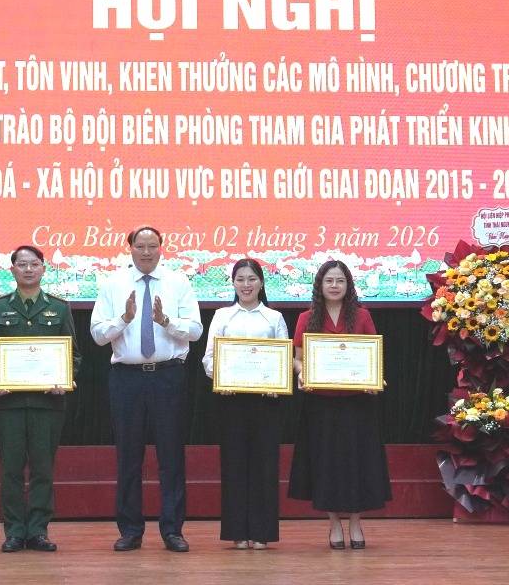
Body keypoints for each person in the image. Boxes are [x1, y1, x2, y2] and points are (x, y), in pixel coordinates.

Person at [90, 226, 203, 553]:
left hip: (168, 377)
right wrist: (124, 319)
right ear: (130, 248)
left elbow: (195, 330)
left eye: (153, 246)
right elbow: (98, 334)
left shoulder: (178, 282)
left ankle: (172, 530)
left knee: (171, 456)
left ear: (161, 248)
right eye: (140, 246)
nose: (147, 252)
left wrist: (167, 322)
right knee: (128, 457)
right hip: (126, 379)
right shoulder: (113, 283)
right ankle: (130, 530)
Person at [0, 245, 80, 553]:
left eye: (34, 264)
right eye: (22, 264)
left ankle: (38, 531)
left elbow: (73, 355)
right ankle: (14, 532)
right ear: (12, 270)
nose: (28, 269)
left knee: (42, 469)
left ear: (43, 269)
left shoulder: (60, 308)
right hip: (8, 403)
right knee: (9, 469)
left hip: (48, 404)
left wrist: (66, 378)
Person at [288, 260, 391, 550]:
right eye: (329, 281)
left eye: (340, 281)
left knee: (357, 463)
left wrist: (374, 378)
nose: (334, 286)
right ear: (320, 285)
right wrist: (303, 372)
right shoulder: (306, 318)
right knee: (327, 465)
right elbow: (298, 358)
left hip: (357, 402)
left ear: (348, 286)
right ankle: (334, 525)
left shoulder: (362, 316)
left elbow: (372, 355)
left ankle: (356, 524)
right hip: (321, 404)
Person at [202, 258, 288, 550]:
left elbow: (284, 359)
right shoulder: (223, 316)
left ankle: (262, 532)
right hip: (232, 402)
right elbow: (209, 359)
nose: (246, 285)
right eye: (240, 279)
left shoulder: (274, 318)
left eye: (252, 279)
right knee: (235, 465)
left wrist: (278, 382)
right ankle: (238, 531)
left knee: (265, 466)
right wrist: (221, 379)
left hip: (266, 403)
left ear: (262, 283)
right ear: (233, 283)